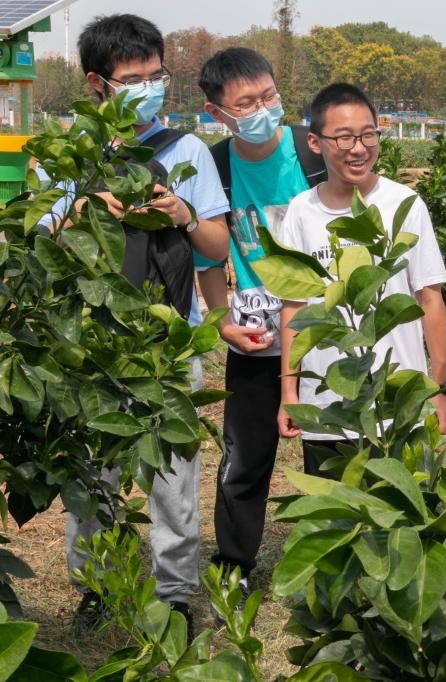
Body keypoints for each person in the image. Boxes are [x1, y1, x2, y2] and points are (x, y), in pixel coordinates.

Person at [60, 13, 230, 633]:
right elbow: (45, 242)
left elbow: (216, 245)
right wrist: (86, 208)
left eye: (156, 77)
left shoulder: (186, 151)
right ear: (97, 83)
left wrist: (184, 213)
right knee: (93, 470)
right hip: (92, 340)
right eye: (134, 80)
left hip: (169, 337)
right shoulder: (72, 152)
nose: (150, 89)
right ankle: (98, 584)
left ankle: (176, 591)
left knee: (174, 478)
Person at [195, 47, 327, 599]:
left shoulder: (312, 150)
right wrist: (221, 323)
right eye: (246, 103)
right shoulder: (215, 167)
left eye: (269, 96)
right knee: (245, 455)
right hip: (256, 334)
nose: (263, 110)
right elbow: (208, 258)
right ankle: (234, 563)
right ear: (216, 113)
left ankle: (332, 558)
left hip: (323, 330)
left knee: (328, 450)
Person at [276, 83, 446, 465]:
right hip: (328, 408)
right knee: (332, 499)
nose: (358, 148)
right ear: (315, 142)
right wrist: (289, 393)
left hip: (399, 405)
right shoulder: (300, 212)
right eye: (344, 138)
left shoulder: (404, 204)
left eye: (368, 135)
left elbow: (429, 299)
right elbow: (294, 309)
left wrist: (440, 388)